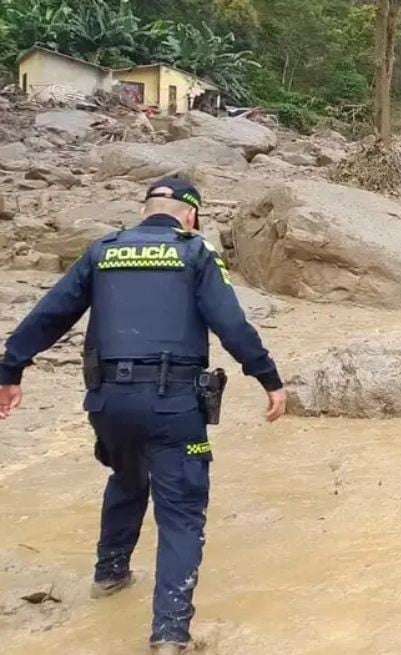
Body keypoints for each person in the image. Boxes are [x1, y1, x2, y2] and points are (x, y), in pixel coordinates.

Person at [0, 178, 287, 654]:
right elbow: (231, 324)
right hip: (173, 404)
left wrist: (10, 369)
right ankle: (169, 634)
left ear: (145, 209)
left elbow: (49, 315)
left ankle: (110, 575)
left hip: (108, 404)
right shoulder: (194, 252)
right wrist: (269, 379)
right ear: (190, 215)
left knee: (127, 478)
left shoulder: (103, 250)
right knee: (181, 513)